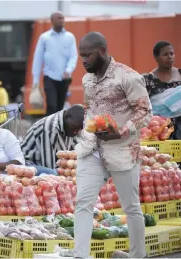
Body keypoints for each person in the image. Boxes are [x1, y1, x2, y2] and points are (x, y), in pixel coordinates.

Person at [74, 32, 152, 258]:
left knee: (131, 208)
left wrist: (122, 130)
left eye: (87, 55)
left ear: (102, 50)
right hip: (92, 150)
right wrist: (88, 130)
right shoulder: (86, 80)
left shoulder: (128, 76)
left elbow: (145, 111)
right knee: (83, 203)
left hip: (123, 150)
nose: (84, 60)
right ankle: (81, 255)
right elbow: (89, 108)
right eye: (81, 56)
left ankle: (138, 255)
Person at [32, 11, 78, 116]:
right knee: (51, 105)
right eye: (59, 18)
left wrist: (69, 70)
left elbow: (73, 56)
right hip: (49, 76)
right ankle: (49, 129)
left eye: (62, 18)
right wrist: (35, 80)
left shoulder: (70, 37)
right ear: (52, 21)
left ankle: (58, 130)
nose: (61, 20)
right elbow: (38, 59)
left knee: (60, 107)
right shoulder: (44, 38)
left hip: (64, 78)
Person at [21, 104, 84, 175]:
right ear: (67, 116)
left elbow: (77, 153)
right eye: (74, 127)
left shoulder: (71, 127)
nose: (75, 132)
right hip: (29, 165)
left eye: (79, 129)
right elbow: (48, 166)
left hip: (47, 164)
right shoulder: (50, 129)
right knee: (54, 174)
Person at [143, 41, 181, 140]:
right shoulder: (148, 80)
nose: (170, 57)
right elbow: (143, 106)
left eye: (172, 54)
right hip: (159, 130)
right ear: (156, 57)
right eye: (165, 54)